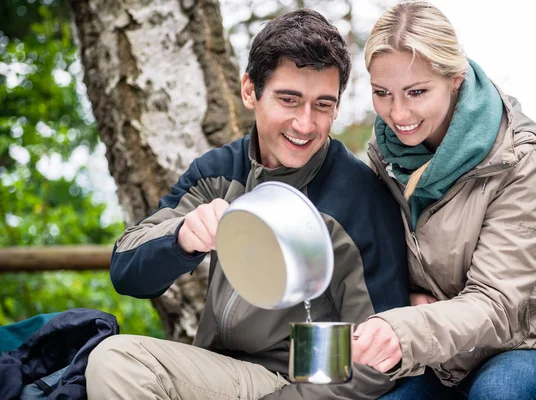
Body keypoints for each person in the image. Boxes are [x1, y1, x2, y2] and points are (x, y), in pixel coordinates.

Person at [85, 9, 410, 400]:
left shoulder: (360, 198)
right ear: (249, 90)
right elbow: (126, 270)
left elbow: (376, 362)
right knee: (109, 361)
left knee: (119, 361)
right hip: (213, 368)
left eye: (322, 105)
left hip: (294, 386)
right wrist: (182, 237)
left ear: (337, 107)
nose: (304, 125)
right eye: (288, 99)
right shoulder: (220, 172)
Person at [350, 1, 536, 399]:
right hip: (430, 357)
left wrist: (407, 324)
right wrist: (398, 301)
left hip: (521, 347)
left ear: (455, 78)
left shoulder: (521, 162)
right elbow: (363, 258)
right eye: (382, 93)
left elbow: (496, 303)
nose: (398, 112)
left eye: (416, 92)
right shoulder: (382, 156)